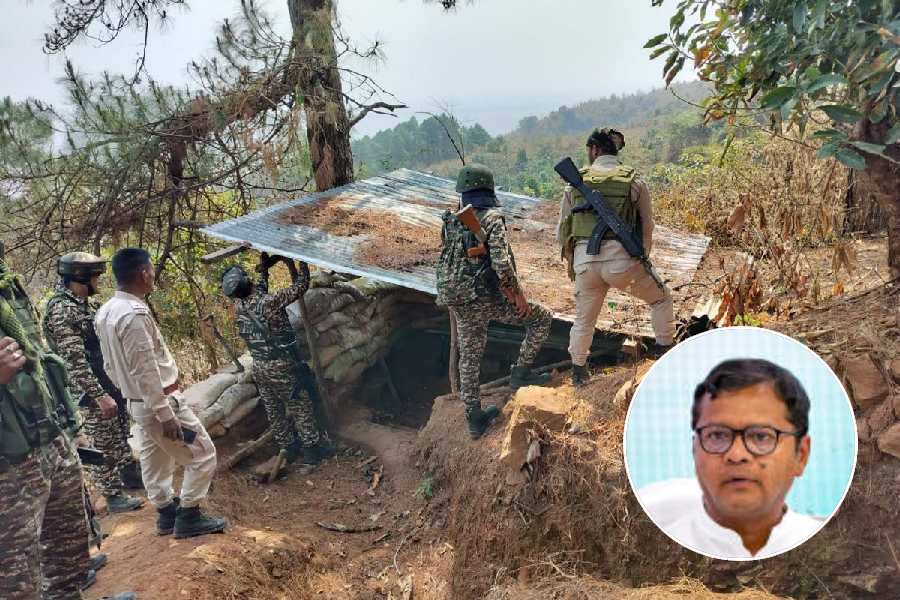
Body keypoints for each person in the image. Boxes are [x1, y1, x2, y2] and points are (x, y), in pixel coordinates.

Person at [0, 249, 135, 600]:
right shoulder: (58, 307)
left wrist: (66, 424)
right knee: (16, 578)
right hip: (9, 462)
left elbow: (42, 360)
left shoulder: (8, 288)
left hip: (46, 434)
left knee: (66, 552)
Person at [95, 248, 226, 539]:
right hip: (160, 404)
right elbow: (145, 370)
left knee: (155, 460)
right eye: (151, 270)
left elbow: (109, 366)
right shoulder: (133, 315)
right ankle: (189, 515)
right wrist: (165, 413)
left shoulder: (105, 312)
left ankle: (166, 513)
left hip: (138, 404)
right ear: (143, 273)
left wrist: (131, 395)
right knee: (203, 454)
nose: (153, 275)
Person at [638, 359, 821, 559]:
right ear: (694, 449)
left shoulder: (823, 544)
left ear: (801, 455)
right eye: (717, 435)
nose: (737, 455)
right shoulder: (653, 547)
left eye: (761, 436)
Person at [436, 164, 552, 439]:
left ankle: (474, 417)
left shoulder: (452, 220)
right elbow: (501, 265)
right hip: (484, 296)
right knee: (541, 318)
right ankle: (521, 373)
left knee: (469, 355)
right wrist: (518, 297)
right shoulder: (491, 218)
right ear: (489, 190)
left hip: (457, 298)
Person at [557, 128, 674, 385]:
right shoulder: (634, 181)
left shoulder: (574, 185)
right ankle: (664, 352)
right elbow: (647, 226)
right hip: (622, 263)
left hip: (585, 264)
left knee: (584, 319)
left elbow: (563, 230)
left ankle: (578, 371)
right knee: (662, 299)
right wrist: (642, 257)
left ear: (594, 150)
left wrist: (574, 264)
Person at [43, 252, 145, 514]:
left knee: (118, 432)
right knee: (102, 441)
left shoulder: (83, 305)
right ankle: (113, 496)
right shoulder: (62, 310)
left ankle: (130, 477)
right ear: (80, 277)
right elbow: (74, 361)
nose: (98, 282)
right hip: (89, 389)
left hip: (105, 379)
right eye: (96, 277)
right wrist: (99, 395)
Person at [220, 254, 332, 467]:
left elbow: (259, 289)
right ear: (247, 282)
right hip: (281, 365)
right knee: (300, 405)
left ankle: (288, 449)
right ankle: (312, 452)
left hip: (259, 367)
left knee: (274, 410)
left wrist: (264, 270)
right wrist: (302, 260)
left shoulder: (240, 306)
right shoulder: (269, 302)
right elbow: (301, 285)